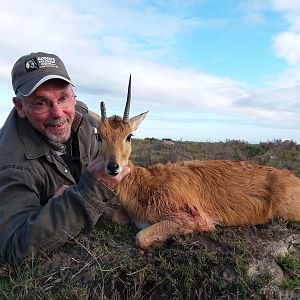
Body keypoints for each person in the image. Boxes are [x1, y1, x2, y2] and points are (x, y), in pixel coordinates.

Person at [0, 52, 130, 264]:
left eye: (63, 97)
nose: (59, 113)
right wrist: (87, 193)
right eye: (41, 102)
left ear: (73, 95)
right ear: (20, 107)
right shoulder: (12, 164)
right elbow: (15, 247)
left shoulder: (82, 116)